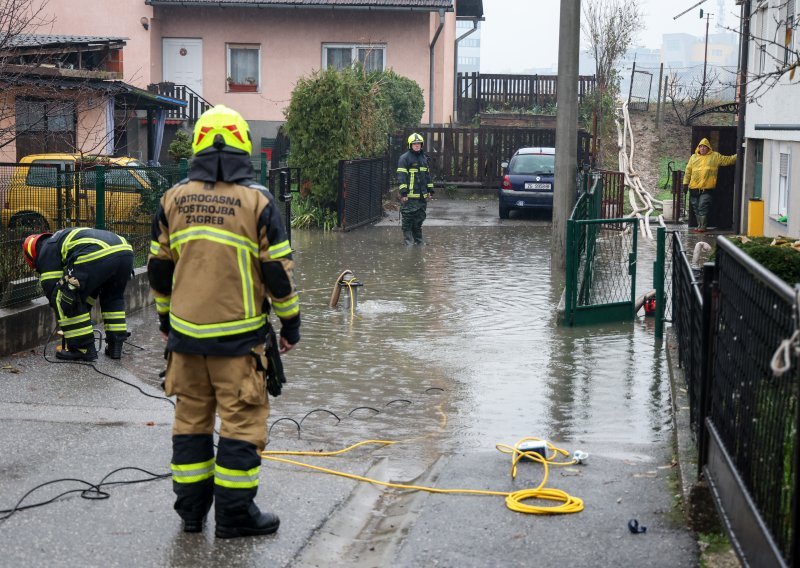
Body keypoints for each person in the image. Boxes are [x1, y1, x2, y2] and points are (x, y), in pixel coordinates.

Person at [147, 105, 300, 538]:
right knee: (241, 425)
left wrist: (164, 318)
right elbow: (277, 274)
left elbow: (159, 270)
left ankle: (191, 515)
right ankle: (235, 517)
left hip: (185, 341)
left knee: (191, 424)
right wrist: (290, 327)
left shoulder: (172, 199)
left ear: (197, 144)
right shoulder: (258, 201)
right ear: (243, 145)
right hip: (238, 344)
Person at [22, 228, 134, 361]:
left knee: (63, 297)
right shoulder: (60, 238)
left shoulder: (46, 249)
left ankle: (83, 348)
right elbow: (90, 286)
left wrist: (68, 313)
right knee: (113, 298)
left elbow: (52, 290)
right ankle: (116, 346)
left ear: (31, 255)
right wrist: (82, 306)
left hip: (96, 253)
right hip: (125, 251)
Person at [682, 138, 737, 233]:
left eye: (705, 147)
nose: (702, 148)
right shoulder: (693, 157)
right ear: (698, 148)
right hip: (694, 188)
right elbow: (688, 172)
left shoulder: (715, 156)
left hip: (706, 189)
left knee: (702, 207)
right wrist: (685, 184)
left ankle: (702, 227)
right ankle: (699, 225)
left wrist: (739, 154)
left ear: (708, 148)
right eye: (701, 146)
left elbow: (728, 160)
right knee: (696, 208)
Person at [397, 132, 434, 245]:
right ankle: (408, 241)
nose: (417, 145)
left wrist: (430, 190)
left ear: (421, 145)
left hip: (422, 197)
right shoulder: (404, 158)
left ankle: (418, 241)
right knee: (408, 220)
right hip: (409, 197)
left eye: (419, 144)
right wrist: (404, 193)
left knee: (419, 220)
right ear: (410, 145)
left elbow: (427, 176)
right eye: (414, 144)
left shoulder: (424, 158)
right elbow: (401, 176)